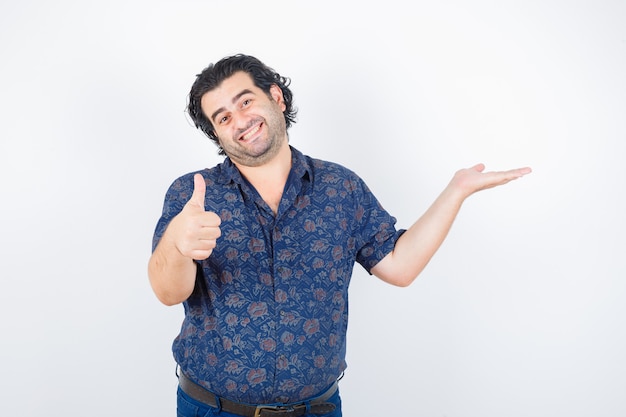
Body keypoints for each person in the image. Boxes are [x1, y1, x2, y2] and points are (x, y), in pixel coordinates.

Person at [148, 54, 531, 417]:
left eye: (245, 102)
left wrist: (456, 191)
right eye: (224, 117)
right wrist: (178, 245)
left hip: (318, 409)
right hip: (212, 408)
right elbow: (169, 292)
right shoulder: (192, 194)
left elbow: (400, 266)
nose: (240, 120)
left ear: (276, 97)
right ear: (217, 132)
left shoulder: (340, 187)